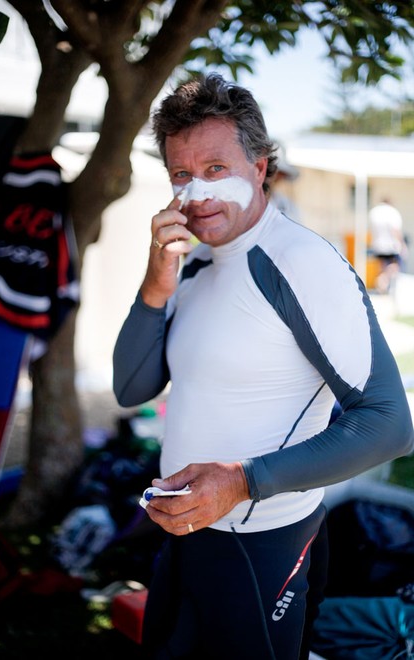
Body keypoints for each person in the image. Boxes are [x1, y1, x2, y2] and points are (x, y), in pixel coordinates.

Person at [113, 75, 413, 660]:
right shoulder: (193, 265)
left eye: (216, 168)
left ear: (261, 167)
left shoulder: (301, 264)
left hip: (263, 542)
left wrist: (243, 480)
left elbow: (389, 423)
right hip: (184, 536)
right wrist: (156, 282)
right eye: (180, 173)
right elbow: (131, 386)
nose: (196, 191)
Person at [369, 198, 407, 294]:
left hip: (377, 246)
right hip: (392, 247)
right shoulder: (392, 212)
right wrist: (402, 245)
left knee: (382, 266)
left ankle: (383, 285)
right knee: (395, 266)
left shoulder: (374, 212)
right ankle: (383, 280)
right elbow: (395, 230)